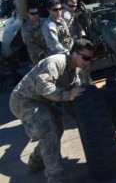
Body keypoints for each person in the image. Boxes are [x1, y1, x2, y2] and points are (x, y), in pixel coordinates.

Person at [9, 39, 94, 183]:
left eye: (90, 58)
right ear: (74, 54)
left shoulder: (77, 68)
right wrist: (68, 95)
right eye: (85, 58)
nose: (88, 61)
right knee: (48, 129)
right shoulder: (56, 62)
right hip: (23, 101)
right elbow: (43, 88)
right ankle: (56, 178)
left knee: (58, 126)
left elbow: (81, 87)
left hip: (42, 101)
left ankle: (36, 161)